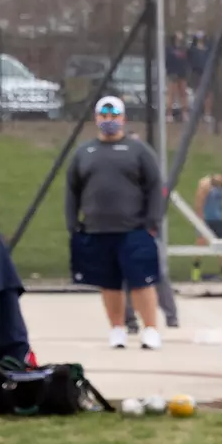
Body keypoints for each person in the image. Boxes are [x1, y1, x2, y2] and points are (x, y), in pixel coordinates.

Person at [66, 97, 165, 350]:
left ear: (123, 119)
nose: (108, 121)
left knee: (141, 282)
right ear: (96, 118)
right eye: (104, 116)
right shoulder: (83, 153)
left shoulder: (138, 151)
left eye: (114, 116)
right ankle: (117, 329)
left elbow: (155, 187)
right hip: (97, 230)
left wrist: (152, 220)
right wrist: (73, 223)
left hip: (134, 230)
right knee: (108, 283)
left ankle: (151, 329)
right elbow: (72, 190)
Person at [191, 170, 222, 282]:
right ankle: (196, 269)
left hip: (218, 219)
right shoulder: (206, 184)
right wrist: (200, 222)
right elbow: (198, 204)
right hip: (204, 218)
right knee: (201, 243)